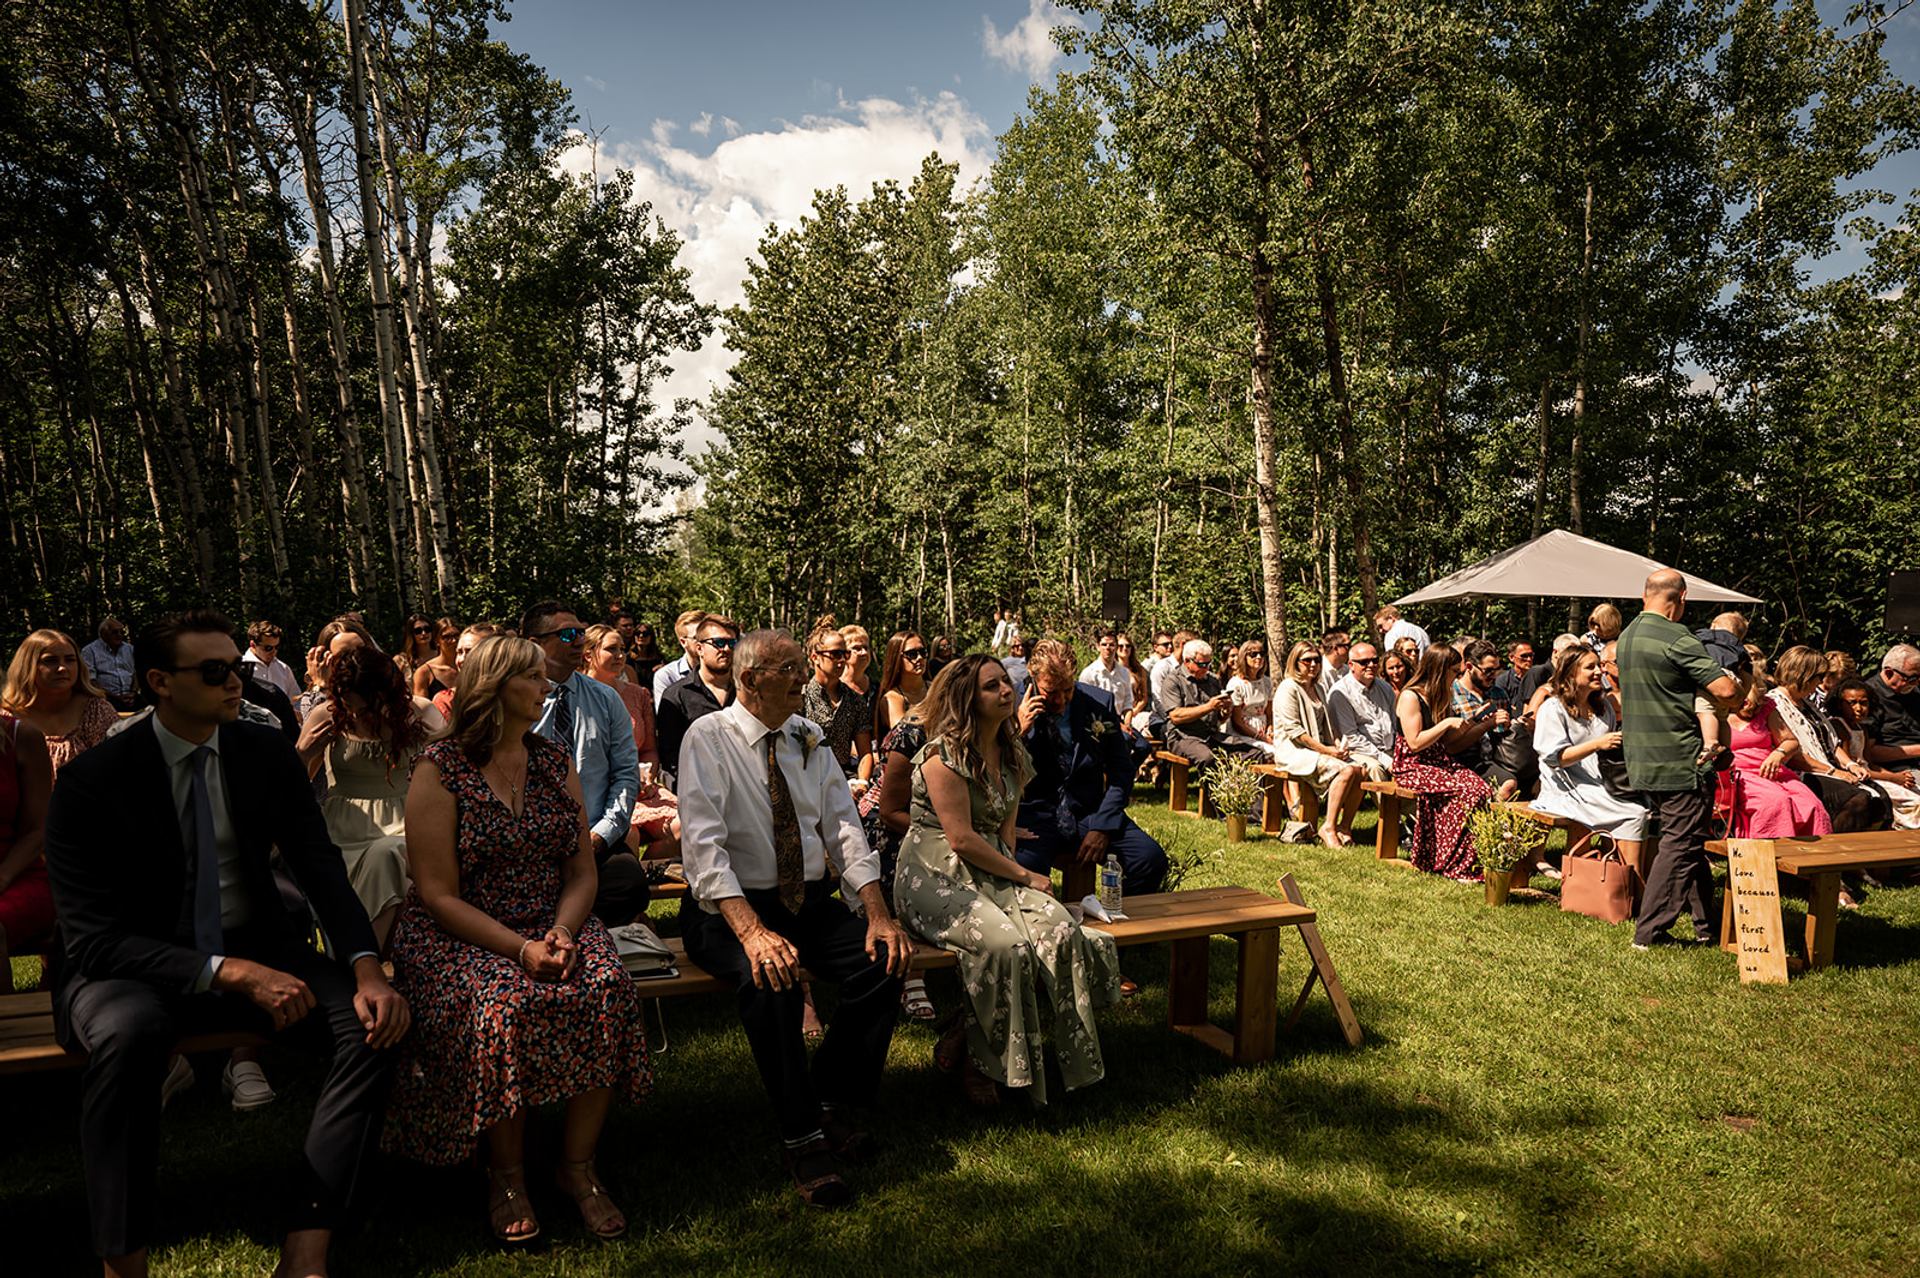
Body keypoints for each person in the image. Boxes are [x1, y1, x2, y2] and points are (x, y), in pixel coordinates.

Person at [45, 609, 408, 1277]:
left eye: (236, 667)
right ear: (159, 682)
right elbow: (94, 941)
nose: (235, 682)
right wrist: (226, 970)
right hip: (127, 970)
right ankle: (123, 1262)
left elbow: (320, 867)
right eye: (214, 672)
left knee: (372, 1027)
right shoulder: (95, 780)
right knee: (129, 1038)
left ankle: (307, 1245)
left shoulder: (262, 753)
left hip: (258, 948)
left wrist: (366, 968)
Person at [383, 635, 649, 1243]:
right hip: (462, 930)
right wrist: (519, 949)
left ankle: (577, 1167)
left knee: (606, 985)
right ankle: (506, 1176)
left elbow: (582, 870)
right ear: (494, 689)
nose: (545, 687)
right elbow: (438, 894)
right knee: (504, 1005)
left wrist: (561, 931)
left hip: (551, 918)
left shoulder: (552, 761)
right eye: (531, 677)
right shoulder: (440, 768)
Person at [676, 630, 912, 1207]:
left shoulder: (808, 736)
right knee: (770, 979)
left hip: (804, 902)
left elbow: (845, 829)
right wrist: (753, 933)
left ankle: (826, 1100)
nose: (803, 678)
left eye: (801, 667)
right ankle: (802, 1136)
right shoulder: (708, 737)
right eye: (788, 669)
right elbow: (703, 849)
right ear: (750, 680)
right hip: (727, 909)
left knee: (884, 960)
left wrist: (877, 913)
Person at [898, 652, 1122, 1109]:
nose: (1006, 690)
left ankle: (988, 1037)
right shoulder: (942, 757)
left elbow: (1005, 831)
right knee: (1006, 945)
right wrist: (1024, 876)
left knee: (1059, 931)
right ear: (968, 698)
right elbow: (961, 839)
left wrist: (1016, 884)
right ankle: (983, 1064)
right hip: (934, 871)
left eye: (1005, 682)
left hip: (993, 864)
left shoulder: (1012, 750)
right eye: (992, 686)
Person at [1618, 569, 1739, 950]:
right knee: (1680, 843)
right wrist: (1737, 691)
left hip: (1643, 757)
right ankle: (1649, 933)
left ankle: (1707, 925)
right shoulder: (1676, 638)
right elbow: (1726, 690)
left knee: (1688, 839)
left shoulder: (1628, 635)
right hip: (1681, 759)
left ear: (1645, 595)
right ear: (1682, 598)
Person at [305, 647, 445, 949]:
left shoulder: (420, 712)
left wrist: (432, 739)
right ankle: (368, 956)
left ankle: (359, 954)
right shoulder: (326, 715)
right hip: (345, 825)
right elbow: (293, 782)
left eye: (366, 708)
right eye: (348, 705)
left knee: (388, 853)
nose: (356, 715)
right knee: (386, 861)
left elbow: (454, 771)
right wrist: (303, 752)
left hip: (407, 819)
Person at [518, 602, 647, 930]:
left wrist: (602, 834)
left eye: (581, 632)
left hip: (593, 836)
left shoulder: (606, 699)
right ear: (535, 643)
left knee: (628, 882)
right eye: (567, 634)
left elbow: (625, 775)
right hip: (529, 841)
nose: (579, 640)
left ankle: (581, 936)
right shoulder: (515, 701)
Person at [1013, 640, 1168, 897]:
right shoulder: (1009, 702)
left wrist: (1103, 825)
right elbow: (994, 767)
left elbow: (1121, 770)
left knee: (1149, 859)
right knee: (1025, 870)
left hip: (1089, 811)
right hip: (1034, 815)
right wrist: (1019, 732)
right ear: (1033, 676)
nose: (1061, 701)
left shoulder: (1098, 703)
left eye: (1067, 690)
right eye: (1051, 692)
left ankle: (1118, 919)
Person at [1530, 647, 1650, 884]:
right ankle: (1633, 885)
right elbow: (1555, 758)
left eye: (1599, 666)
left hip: (1601, 781)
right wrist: (1598, 744)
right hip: (1565, 787)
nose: (1599, 671)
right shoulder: (1553, 709)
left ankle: (1623, 882)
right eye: (1590, 667)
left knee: (1648, 806)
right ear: (1571, 673)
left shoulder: (1603, 707)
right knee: (1635, 813)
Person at [1393, 646, 1492, 880]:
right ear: (1440, 669)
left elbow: (1447, 743)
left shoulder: (1441, 695)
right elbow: (1415, 742)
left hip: (1438, 760)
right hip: (1412, 765)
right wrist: (1446, 723)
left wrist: (1475, 723)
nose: (1457, 678)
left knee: (1480, 789)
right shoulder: (1410, 696)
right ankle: (1448, 861)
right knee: (1464, 792)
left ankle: (1469, 860)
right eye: (1455, 672)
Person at [1767, 646, 1886, 833]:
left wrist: (1850, 765)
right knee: (1858, 799)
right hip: (1803, 772)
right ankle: (1831, 845)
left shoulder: (1808, 704)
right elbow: (1794, 755)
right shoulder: (1774, 704)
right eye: (1819, 676)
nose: (1821, 682)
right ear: (1804, 675)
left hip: (1828, 768)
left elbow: (1832, 742)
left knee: (1881, 799)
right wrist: (1833, 772)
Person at [1272, 642, 1366, 847]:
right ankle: (1328, 827)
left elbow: (1328, 727)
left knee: (1360, 770)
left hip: (1319, 748)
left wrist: (1338, 746)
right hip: (1293, 751)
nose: (1313, 664)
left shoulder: (1319, 688)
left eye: (1316, 660)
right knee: (1346, 771)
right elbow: (1295, 732)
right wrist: (1327, 751)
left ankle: (1344, 827)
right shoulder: (1288, 688)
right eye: (1307, 660)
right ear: (1295, 662)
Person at [1725, 666, 1832, 839]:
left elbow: (1790, 741)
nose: (1748, 708)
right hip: (1740, 775)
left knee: (1811, 805)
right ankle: (1773, 850)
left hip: (1774, 771)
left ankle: (1818, 852)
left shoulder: (1766, 708)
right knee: (1775, 802)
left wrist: (1779, 753)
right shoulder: (1715, 713)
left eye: (1750, 703)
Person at [4, 629, 121, 778]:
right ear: (27, 666)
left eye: (70, 660)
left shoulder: (96, 711)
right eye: (50, 661)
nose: (62, 668)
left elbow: (119, 767)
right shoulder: (7, 719)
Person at [0, 709, 52, 993]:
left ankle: (9, 1018)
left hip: (17, 874)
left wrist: (3, 877)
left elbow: (38, 830)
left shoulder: (20, 736)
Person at [657, 614, 739, 787]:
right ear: (700, 648)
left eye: (732, 643)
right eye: (718, 643)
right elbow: (671, 759)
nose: (726, 649)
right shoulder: (676, 696)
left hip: (746, 786)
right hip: (698, 789)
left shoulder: (748, 691)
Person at [1830, 679, 1920, 829]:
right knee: (1912, 801)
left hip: (1872, 774)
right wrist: (1893, 778)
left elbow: (1869, 763)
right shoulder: (1839, 725)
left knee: (1914, 790)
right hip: (1859, 777)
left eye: (1863, 703)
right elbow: (1850, 768)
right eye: (1852, 703)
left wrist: (1898, 776)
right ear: (1840, 704)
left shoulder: (1862, 728)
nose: (1859, 708)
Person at [1162, 640, 1257, 775]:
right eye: (1201, 664)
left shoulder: (1213, 680)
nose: (1206, 668)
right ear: (1187, 661)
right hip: (1183, 736)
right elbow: (1176, 716)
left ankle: (1244, 788)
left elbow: (1219, 719)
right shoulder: (1173, 680)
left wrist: (1226, 710)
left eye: (1209, 664)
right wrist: (1209, 706)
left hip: (1211, 735)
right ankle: (1216, 789)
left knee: (1253, 753)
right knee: (1208, 758)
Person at [1450, 639, 1529, 801]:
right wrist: (1486, 724)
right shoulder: (1452, 694)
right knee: (1508, 785)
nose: (1493, 676)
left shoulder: (1498, 694)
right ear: (1469, 667)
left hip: (1498, 758)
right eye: (1488, 671)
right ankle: (1489, 816)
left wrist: (1514, 725)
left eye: (1497, 670)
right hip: (1463, 761)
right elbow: (1452, 745)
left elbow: (1504, 734)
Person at [800, 618, 875, 781]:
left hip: (843, 778)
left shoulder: (855, 701)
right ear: (815, 657)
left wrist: (862, 782)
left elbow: (865, 754)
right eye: (835, 654)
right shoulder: (801, 697)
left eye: (845, 654)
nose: (842, 660)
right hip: (805, 776)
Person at [1326, 642, 1397, 781]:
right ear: (1351, 665)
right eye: (1364, 662)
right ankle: (1382, 796)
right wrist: (1385, 760)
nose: (1371, 665)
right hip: (1358, 752)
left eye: (1375, 661)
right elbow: (1351, 737)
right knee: (1376, 769)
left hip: (1389, 749)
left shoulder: (1385, 688)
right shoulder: (1340, 693)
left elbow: (1395, 724)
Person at [1863, 644, 1920, 776]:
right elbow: (1869, 752)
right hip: (1899, 769)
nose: (1917, 683)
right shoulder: (1868, 698)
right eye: (1912, 678)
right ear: (1889, 673)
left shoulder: (1913, 692)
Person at [1223, 638, 1278, 757]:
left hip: (1264, 731)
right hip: (1243, 734)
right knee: (1272, 753)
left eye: (1262, 654)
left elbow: (1269, 713)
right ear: (1244, 657)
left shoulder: (1266, 682)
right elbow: (1237, 722)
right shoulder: (1236, 684)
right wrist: (1260, 737)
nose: (1259, 657)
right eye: (1253, 654)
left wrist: (1270, 729)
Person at [435, 622, 500, 720]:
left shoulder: (512, 695)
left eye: (470, 652)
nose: (462, 659)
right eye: (459, 652)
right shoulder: (448, 701)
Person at [874, 631, 930, 739]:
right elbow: (906, 737)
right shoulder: (891, 699)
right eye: (912, 654)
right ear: (897, 659)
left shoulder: (936, 689)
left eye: (923, 652)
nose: (919, 657)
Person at [652, 608, 711, 707]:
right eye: (698, 637)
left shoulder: (725, 671)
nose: (706, 641)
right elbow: (665, 714)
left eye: (708, 636)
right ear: (683, 642)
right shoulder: (667, 676)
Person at [80, 618, 139, 711]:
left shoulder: (129, 649)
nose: (119, 635)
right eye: (114, 632)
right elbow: (91, 681)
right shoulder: (89, 651)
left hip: (131, 697)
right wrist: (116, 697)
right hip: (104, 698)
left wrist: (133, 693)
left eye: (121, 632)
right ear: (103, 634)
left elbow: (136, 673)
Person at [240, 620, 302, 708]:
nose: (274, 652)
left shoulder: (284, 669)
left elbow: (297, 701)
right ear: (253, 645)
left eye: (276, 647)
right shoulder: (241, 667)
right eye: (268, 648)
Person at [1077, 626, 1133, 713]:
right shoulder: (1088, 674)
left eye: (1111, 645)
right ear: (1098, 646)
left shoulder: (1124, 673)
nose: (1108, 648)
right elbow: (1083, 705)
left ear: (1116, 647)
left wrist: (1127, 720)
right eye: (1104, 644)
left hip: (1120, 718)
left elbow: (1128, 704)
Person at [410, 617, 460, 700]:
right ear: (437, 641)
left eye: (456, 635)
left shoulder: (469, 667)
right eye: (446, 637)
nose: (454, 640)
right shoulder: (424, 673)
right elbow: (422, 706)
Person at [1116, 632, 1153, 733]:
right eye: (1120, 646)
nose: (1124, 648)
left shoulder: (1140, 670)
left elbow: (1144, 698)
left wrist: (1133, 712)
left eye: (1128, 646)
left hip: (1136, 712)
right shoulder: (1112, 670)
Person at [394, 613, 438, 684]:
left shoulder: (441, 655)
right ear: (411, 634)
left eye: (427, 629)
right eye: (418, 631)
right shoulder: (401, 661)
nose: (423, 633)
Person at [841, 622, 875, 699]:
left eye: (866, 648)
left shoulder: (878, 690)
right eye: (857, 648)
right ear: (844, 652)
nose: (864, 652)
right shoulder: (833, 688)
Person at [1317, 628, 1351, 697]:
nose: (1351, 649)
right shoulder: (1319, 671)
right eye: (1348, 646)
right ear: (1336, 648)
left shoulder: (1348, 670)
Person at [1001, 634, 1032, 699]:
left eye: (1022, 645)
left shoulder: (1030, 659)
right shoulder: (1007, 662)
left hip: (1030, 691)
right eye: (1017, 646)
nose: (1020, 648)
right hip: (1017, 694)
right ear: (1012, 648)